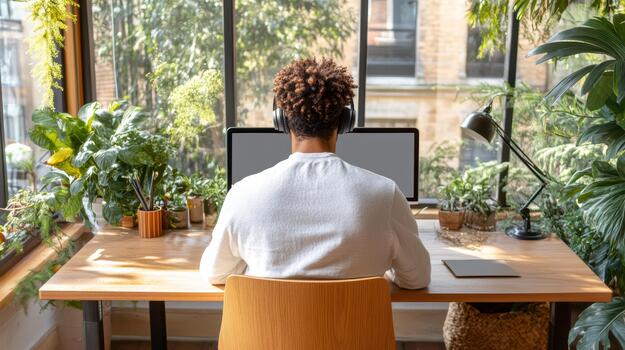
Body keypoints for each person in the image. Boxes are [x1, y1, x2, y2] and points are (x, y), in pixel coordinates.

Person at [199, 57, 430, 289]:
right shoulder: (384, 194)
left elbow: (215, 274)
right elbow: (417, 279)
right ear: (345, 121)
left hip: (271, 326)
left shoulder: (242, 194)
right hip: (355, 326)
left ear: (281, 120)